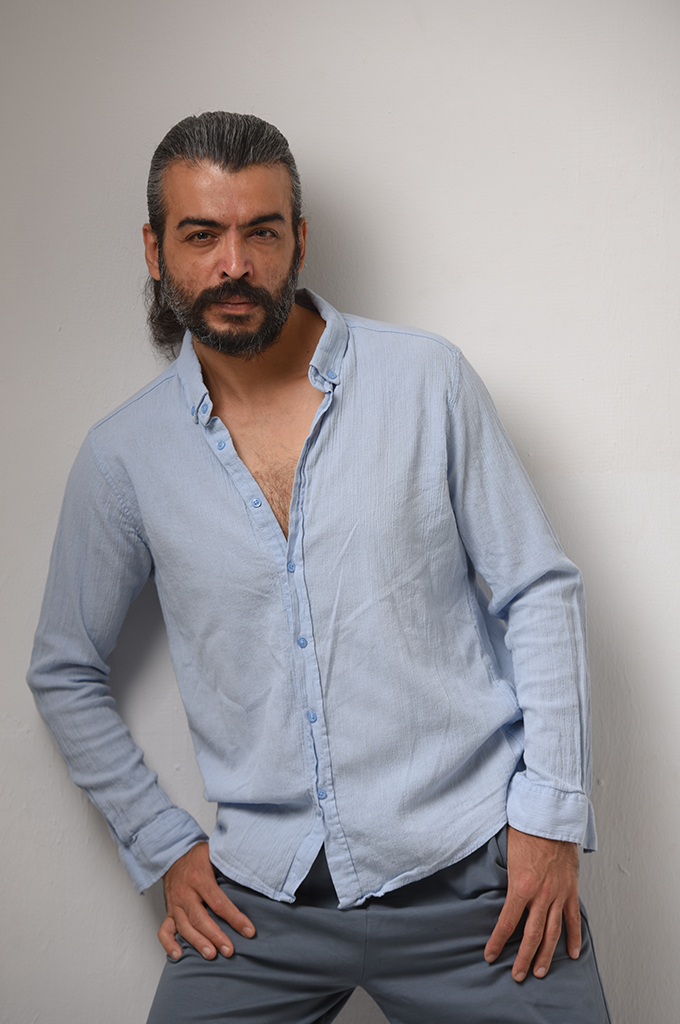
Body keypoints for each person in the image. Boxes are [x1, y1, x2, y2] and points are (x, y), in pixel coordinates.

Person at [28, 112, 610, 1023]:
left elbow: (538, 590)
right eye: (202, 235)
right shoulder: (124, 458)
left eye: (261, 233)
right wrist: (161, 843)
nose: (234, 265)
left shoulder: (426, 382)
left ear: (298, 240)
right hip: (259, 904)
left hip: (477, 882)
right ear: (154, 249)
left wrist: (551, 816)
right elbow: (64, 669)